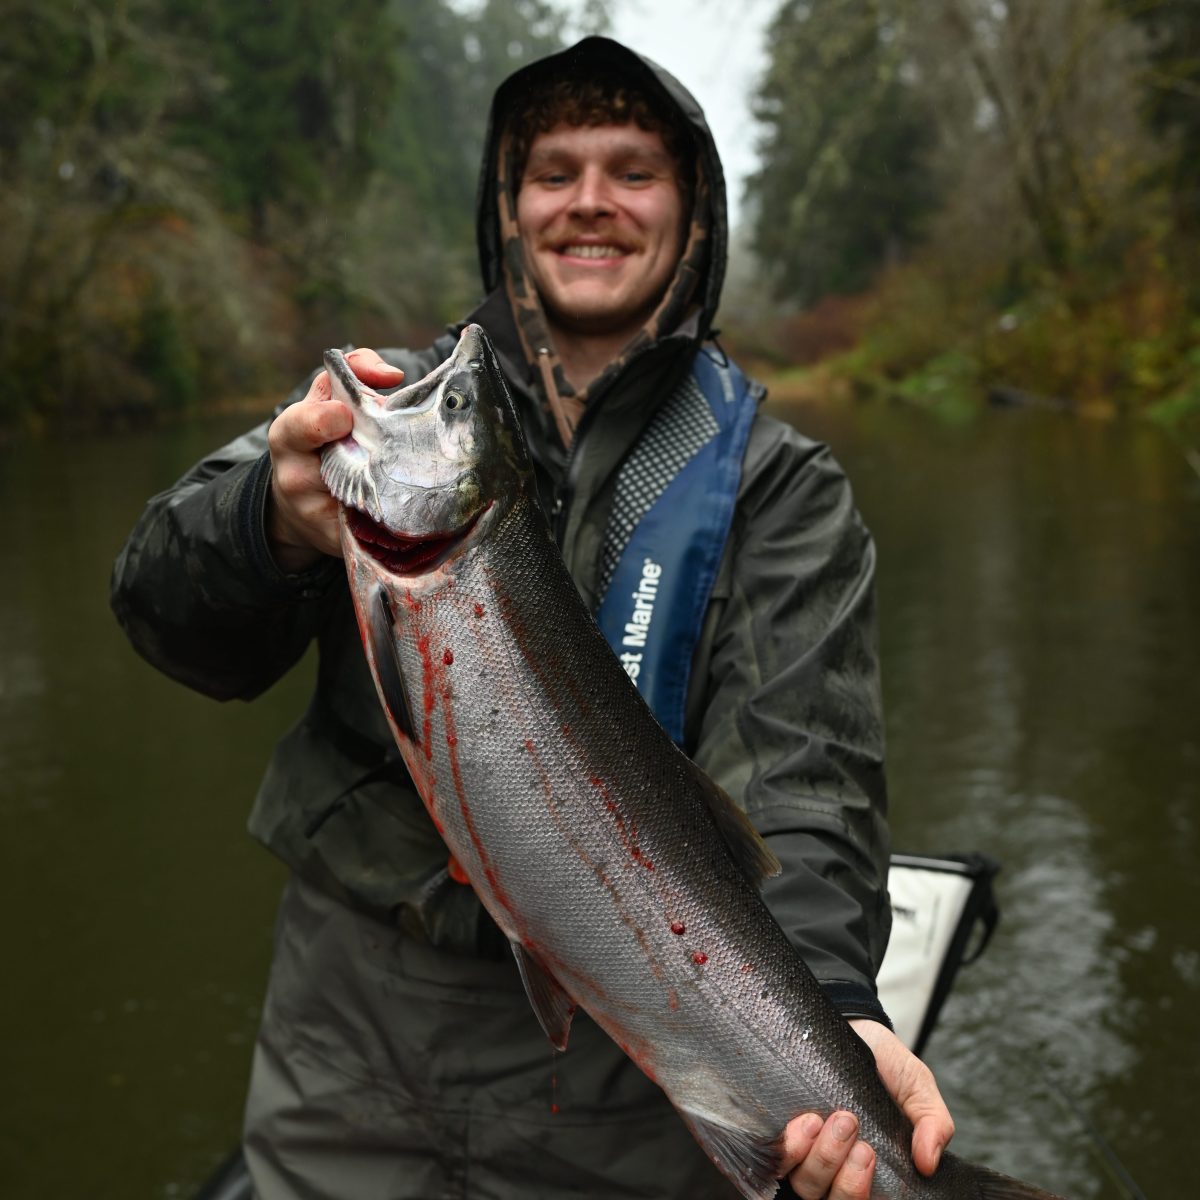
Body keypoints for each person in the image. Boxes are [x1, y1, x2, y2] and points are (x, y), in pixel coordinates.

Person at [112, 36, 953, 1200]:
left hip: (629, 1066)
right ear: (508, 208)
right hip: (350, 1030)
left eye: (632, 170)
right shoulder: (378, 416)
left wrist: (835, 1010)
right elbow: (156, 604)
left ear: (696, 213)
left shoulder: (780, 485)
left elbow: (811, 780)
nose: (590, 202)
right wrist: (272, 519)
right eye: (553, 171)